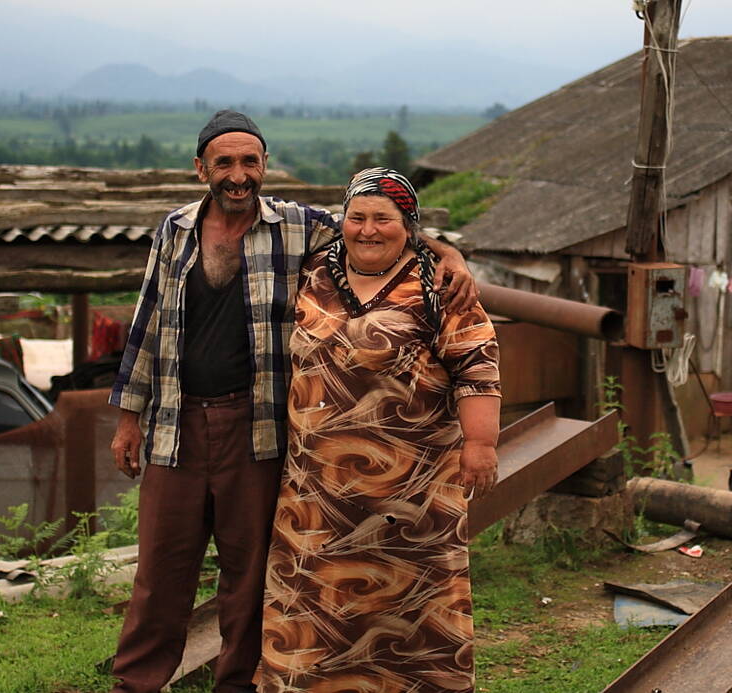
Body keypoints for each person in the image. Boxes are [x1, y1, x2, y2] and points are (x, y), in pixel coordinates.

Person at [106, 113, 475, 693]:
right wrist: (129, 419)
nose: (238, 175)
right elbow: (146, 326)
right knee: (159, 572)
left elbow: (375, 224)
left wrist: (446, 255)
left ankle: (237, 684)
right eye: (224, 163)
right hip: (174, 425)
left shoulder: (301, 227)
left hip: (258, 428)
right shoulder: (174, 230)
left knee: (249, 578)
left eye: (249, 162)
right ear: (200, 168)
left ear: (264, 167)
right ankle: (136, 685)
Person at [259, 168, 500, 692]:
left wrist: (480, 444)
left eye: (383, 219)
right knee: (315, 601)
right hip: (317, 492)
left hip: (413, 493)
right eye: (358, 217)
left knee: (415, 605)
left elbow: (476, 365)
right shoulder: (314, 270)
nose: (368, 229)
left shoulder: (441, 286)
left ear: (408, 226)